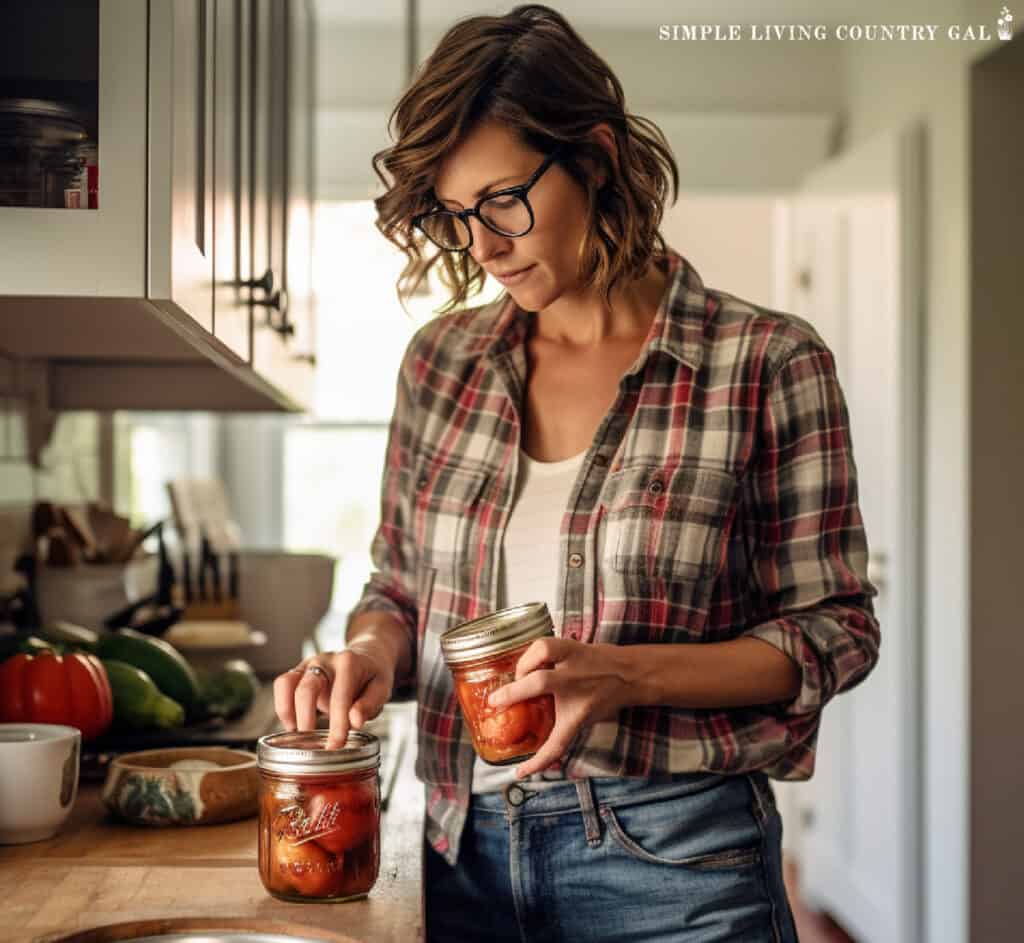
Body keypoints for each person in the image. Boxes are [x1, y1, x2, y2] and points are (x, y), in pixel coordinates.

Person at [274, 5, 880, 941]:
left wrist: (626, 674)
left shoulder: (765, 360)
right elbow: (398, 588)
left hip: (678, 861)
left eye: (505, 200)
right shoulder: (440, 363)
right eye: (456, 214)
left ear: (594, 158)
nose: (482, 245)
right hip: (456, 853)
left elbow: (835, 630)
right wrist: (368, 655)